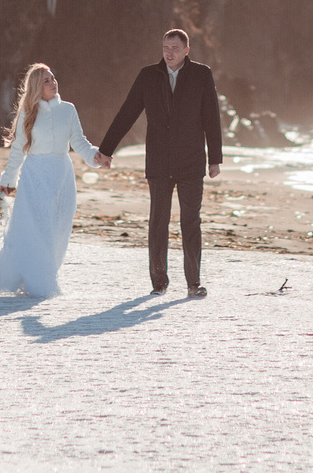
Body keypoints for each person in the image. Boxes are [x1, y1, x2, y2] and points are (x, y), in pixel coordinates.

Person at [94, 25, 222, 298]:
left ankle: (193, 283)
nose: (169, 53)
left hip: (191, 160)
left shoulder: (201, 75)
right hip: (159, 161)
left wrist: (215, 159)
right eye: (166, 48)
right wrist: (107, 150)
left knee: (190, 221)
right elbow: (127, 112)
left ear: (186, 51)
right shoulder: (148, 76)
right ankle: (159, 282)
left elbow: (212, 116)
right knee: (158, 221)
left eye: (175, 48)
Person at [0, 63, 100, 299]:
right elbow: (18, 149)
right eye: (46, 81)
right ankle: (40, 282)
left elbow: (79, 142)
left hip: (62, 175)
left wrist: (96, 156)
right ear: (36, 87)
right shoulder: (28, 113)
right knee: (35, 228)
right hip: (35, 176)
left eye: (53, 78)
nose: (53, 83)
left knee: (57, 229)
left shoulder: (68, 110)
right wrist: (8, 179)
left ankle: (43, 274)